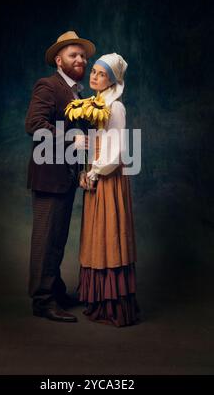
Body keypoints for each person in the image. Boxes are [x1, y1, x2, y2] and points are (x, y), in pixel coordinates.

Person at [25, 31, 96, 322]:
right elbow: (34, 125)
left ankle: (55, 289)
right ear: (59, 60)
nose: (80, 60)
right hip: (48, 177)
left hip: (65, 177)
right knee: (46, 239)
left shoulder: (76, 91)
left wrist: (81, 170)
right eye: (73, 55)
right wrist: (72, 139)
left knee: (57, 239)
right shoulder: (48, 86)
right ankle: (42, 301)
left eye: (82, 56)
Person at [78, 53, 140, 327]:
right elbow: (95, 143)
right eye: (93, 71)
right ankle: (99, 299)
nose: (94, 76)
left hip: (108, 176)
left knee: (109, 231)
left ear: (112, 79)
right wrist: (86, 169)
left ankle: (113, 303)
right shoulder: (95, 104)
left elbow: (115, 152)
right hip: (96, 172)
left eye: (102, 74)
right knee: (96, 233)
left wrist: (94, 172)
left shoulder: (115, 107)